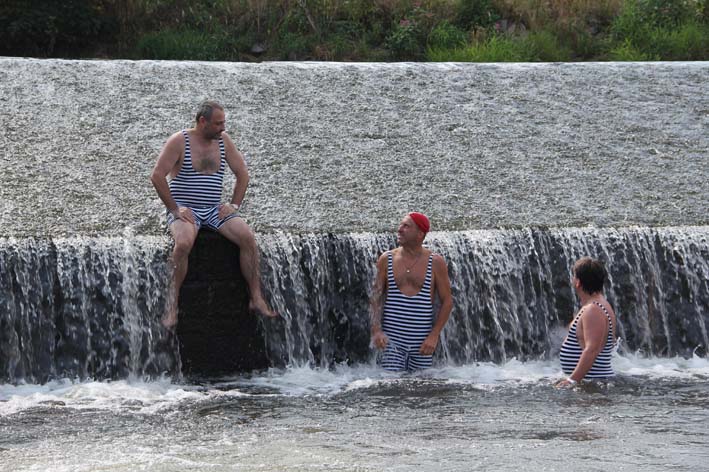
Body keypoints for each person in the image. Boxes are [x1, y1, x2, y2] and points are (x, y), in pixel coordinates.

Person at [150, 100, 276, 328]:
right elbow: (157, 176)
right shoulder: (180, 141)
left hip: (214, 209)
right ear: (202, 122)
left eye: (223, 123)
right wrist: (174, 209)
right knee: (184, 243)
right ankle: (172, 305)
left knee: (247, 238)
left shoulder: (223, 142)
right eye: (218, 124)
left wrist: (235, 205)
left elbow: (243, 174)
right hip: (187, 210)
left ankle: (256, 298)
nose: (222, 128)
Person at [370, 212, 454, 371]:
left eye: (406, 226)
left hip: (422, 344)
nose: (399, 229)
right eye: (401, 225)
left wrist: (434, 335)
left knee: (421, 391)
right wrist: (376, 330)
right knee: (391, 388)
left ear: (420, 234)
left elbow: (447, 301)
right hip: (391, 343)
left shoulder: (435, 262)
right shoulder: (386, 259)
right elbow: (375, 297)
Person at [556, 257, 618, 387]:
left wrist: (572, 380)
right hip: (592, 381)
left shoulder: (593, 310)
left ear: (578, 282)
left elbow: (592, 349)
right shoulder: (598, 305)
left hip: (593, 385)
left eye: (574, 277)